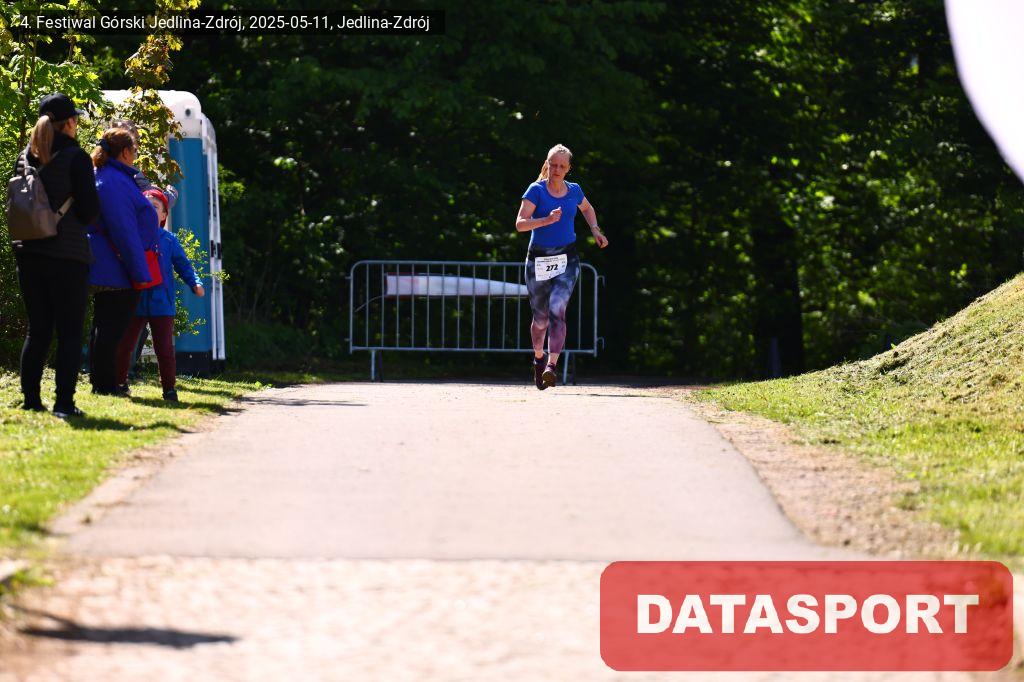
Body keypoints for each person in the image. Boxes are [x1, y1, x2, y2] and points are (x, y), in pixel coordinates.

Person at [9, 93, 101, 417]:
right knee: (70, 332)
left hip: (29, 252)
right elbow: (89, 212)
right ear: (70, 122)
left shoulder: (25, 157)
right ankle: (64, 404)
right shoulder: (76, 157)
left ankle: (31, 401)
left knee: (38, 330)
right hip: (67, 255)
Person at [515, 144, 608, 390]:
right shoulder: (536, 190)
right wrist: (546, 220)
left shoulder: (574, 190)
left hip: (567, 258)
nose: (556, 170)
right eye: (553, 164)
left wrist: (595, 230)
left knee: (558, 310)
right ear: (547, 164)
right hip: (538, 259)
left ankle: (551, 367)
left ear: (568, 169)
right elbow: (520, 224)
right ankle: (538, 359)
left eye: (561, 166)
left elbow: (587, 208)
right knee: (541, 319)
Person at [87, 127, 159, 396]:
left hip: (109, 262)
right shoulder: (114, 181)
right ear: (126, 152)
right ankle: (106, 386)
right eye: (135, 150)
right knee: (112, 329)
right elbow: (124, 230)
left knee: (103, 326)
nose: (136, 155)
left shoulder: (106, 176)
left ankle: (102, 383)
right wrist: (140, 271)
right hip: (117, 266)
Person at [114, 188, 205, 402]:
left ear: (164, 214)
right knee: (125, 344)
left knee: (164, 349)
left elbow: (184, 266)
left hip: (162, 302)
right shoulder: (131, 236)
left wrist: (195, 283)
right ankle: (119, 383)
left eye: (154, 207)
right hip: (135, 300)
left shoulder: (169, 240)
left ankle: (169, 389)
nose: (148, 209)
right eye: (144, 205)